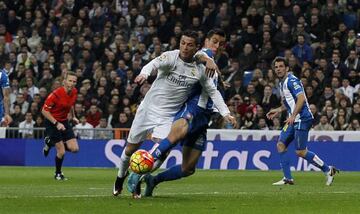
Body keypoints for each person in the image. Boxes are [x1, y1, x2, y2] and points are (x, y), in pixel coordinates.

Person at [112, 30, 234, 196]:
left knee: (177, 160)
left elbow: (212, 90)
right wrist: (144, 74)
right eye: (214, 41)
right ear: (205, 42)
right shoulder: (178, 56)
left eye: (189, 45)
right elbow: (154, 64)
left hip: (170, 114)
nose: (185, 47)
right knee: (130, 149)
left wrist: (225, 112)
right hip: (149, 109)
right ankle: (120, 177)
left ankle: (141, 175)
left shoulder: (200, 69)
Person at [266, 57, 338, 186]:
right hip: (293, 118)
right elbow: (290, 102)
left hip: (302, 118)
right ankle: (288, 178)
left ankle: (328, 170)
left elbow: (300, 99)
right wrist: (278, 110)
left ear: (287, 68)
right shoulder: (282, 83)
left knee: (300, 151)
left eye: (281, 66)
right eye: (276, 67)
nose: (278, 69)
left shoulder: (292, 80)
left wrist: (293, 115)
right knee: (280, 144)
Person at [41, 71, 79, 180]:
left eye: (74, 81)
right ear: (64, 81)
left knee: (75, 149)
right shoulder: (55, 95)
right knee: (61, 151)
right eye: (70, 80)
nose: (72, 83)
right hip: (52, 122)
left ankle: (50, 142)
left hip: (64, 121)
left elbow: (70, 104)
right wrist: (56, 123)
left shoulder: (74, 92)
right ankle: (58, 173)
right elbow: (44, 111)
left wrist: (73, 116)